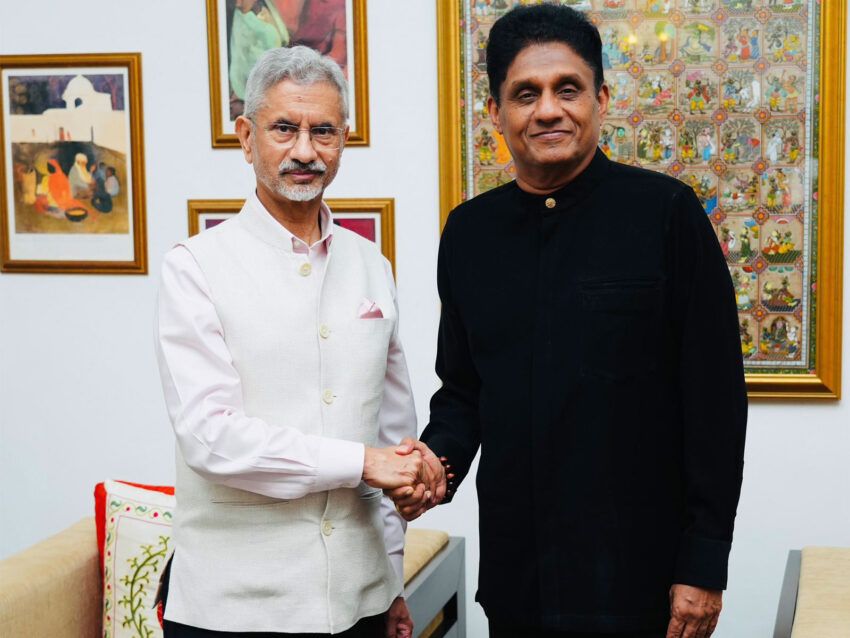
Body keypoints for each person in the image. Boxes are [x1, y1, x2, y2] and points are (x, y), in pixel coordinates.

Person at [389, 5, 747, 638]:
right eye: (526, 94)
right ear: (496, 112)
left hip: (642, 580)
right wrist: (435, 463)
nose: (548, 110)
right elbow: (464, 391)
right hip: (519, 580)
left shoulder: (666, 214)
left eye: (568, 89)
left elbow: (715, 404)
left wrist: (703, 563)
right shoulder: (469, 233)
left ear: (600, 99)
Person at [155, 46, 437, 638]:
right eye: (285, 128)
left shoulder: (372, 264)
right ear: (246, 137)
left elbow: (394, 433)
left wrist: (390, 580)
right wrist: (362, 463)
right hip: (233, 607)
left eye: (323, 131)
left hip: (359, 598)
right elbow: (210, 436)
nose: (305, 151)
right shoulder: (195, 267)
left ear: (343, 140)